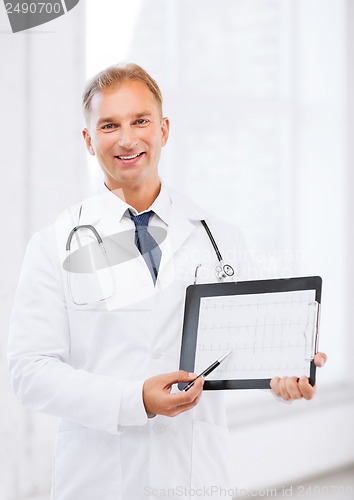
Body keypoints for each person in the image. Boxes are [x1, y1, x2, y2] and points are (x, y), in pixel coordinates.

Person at [8, 63, 327, 500]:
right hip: (98, 481)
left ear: (164, 129)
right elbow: (30, 372)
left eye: (140, 121)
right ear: (88, 139)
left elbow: (249, 350)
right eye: (109, 125)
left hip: (194, 479)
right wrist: (133, 399)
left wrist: (281, 376)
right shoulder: (54, 244)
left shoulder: (220, 238)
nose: (127, 138)